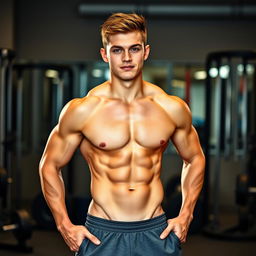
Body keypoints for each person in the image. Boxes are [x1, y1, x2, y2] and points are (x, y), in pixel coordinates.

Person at [39, 13, 205, 256]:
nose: (127, 58)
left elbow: (195, 158)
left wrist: (186, 214)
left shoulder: (171, 108)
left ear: (145, 52)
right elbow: (49, 165)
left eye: (134, 49)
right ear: (105, 54)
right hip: (101, 233)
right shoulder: (83, 110)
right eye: (117, 50)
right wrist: (64, 225)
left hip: (155, 230)